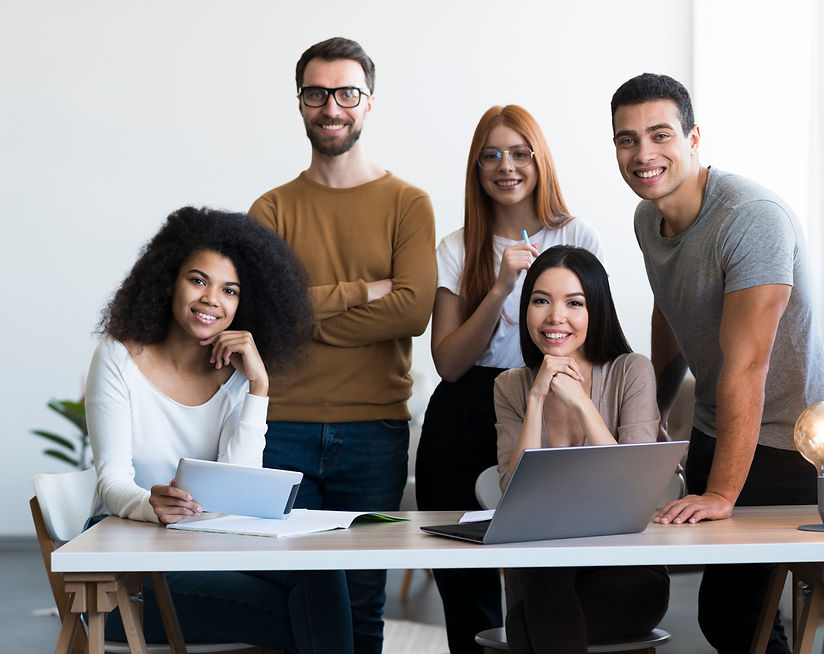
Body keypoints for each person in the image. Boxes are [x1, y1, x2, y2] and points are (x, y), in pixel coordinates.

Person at [610, 73, 824, 653]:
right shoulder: (647, 218)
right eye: (627, 139)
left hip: (788, 441)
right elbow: (670, 311)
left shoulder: (751, 218)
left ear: (693, 138)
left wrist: (721, 495)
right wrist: (655, 415)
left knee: (735, 616)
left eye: (660, 134)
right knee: (737, 619)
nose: (643, 154)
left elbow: (748, 366)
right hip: (718, 426)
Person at [86, 206, 354, 654]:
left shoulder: (237, 376)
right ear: (167, 281)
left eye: (230, 290)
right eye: (198, 280)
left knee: (320, 571)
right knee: (306, 616)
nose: (212, 298)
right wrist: (151, 505)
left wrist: (258, 387)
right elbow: (111, 481)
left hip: (205, 549)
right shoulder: (119, 357)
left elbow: (238, 489)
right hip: (125, 572)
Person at [248, 37, 436, 654]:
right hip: (283, 427)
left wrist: (303, 311)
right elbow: (263, 317)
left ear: (369, 102)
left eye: (347, 93)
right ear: (300, 102)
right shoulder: (271, 210)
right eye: (317, 94)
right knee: (295, 595)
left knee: (361, 597)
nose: (332, 107)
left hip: (374, 431)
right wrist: (362, 292)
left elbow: (412, 311)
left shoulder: (408, 204)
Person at [414, 105, 603, 653]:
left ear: (540, 161)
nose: (507, 166)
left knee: (543, 577)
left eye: (520, 153)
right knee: (464, 583)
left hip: (543, 399)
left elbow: (594, 336)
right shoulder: (456, 247)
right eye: (491, 155)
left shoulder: (577, 235)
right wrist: (500, 288)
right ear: (476, 168)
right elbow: (449, 363)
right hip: (465, 410)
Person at [493, 246, 669, 654]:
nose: (555, 317)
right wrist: (537, 399)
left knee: (524, 621)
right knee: (543, 578)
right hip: (543, 572)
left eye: (574, 303)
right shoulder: (510, 387)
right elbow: (512, 494)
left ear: (597, 310)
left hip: (625, 571)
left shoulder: (631, 371)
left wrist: (582, 404)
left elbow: (633, 492)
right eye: (541, 301)